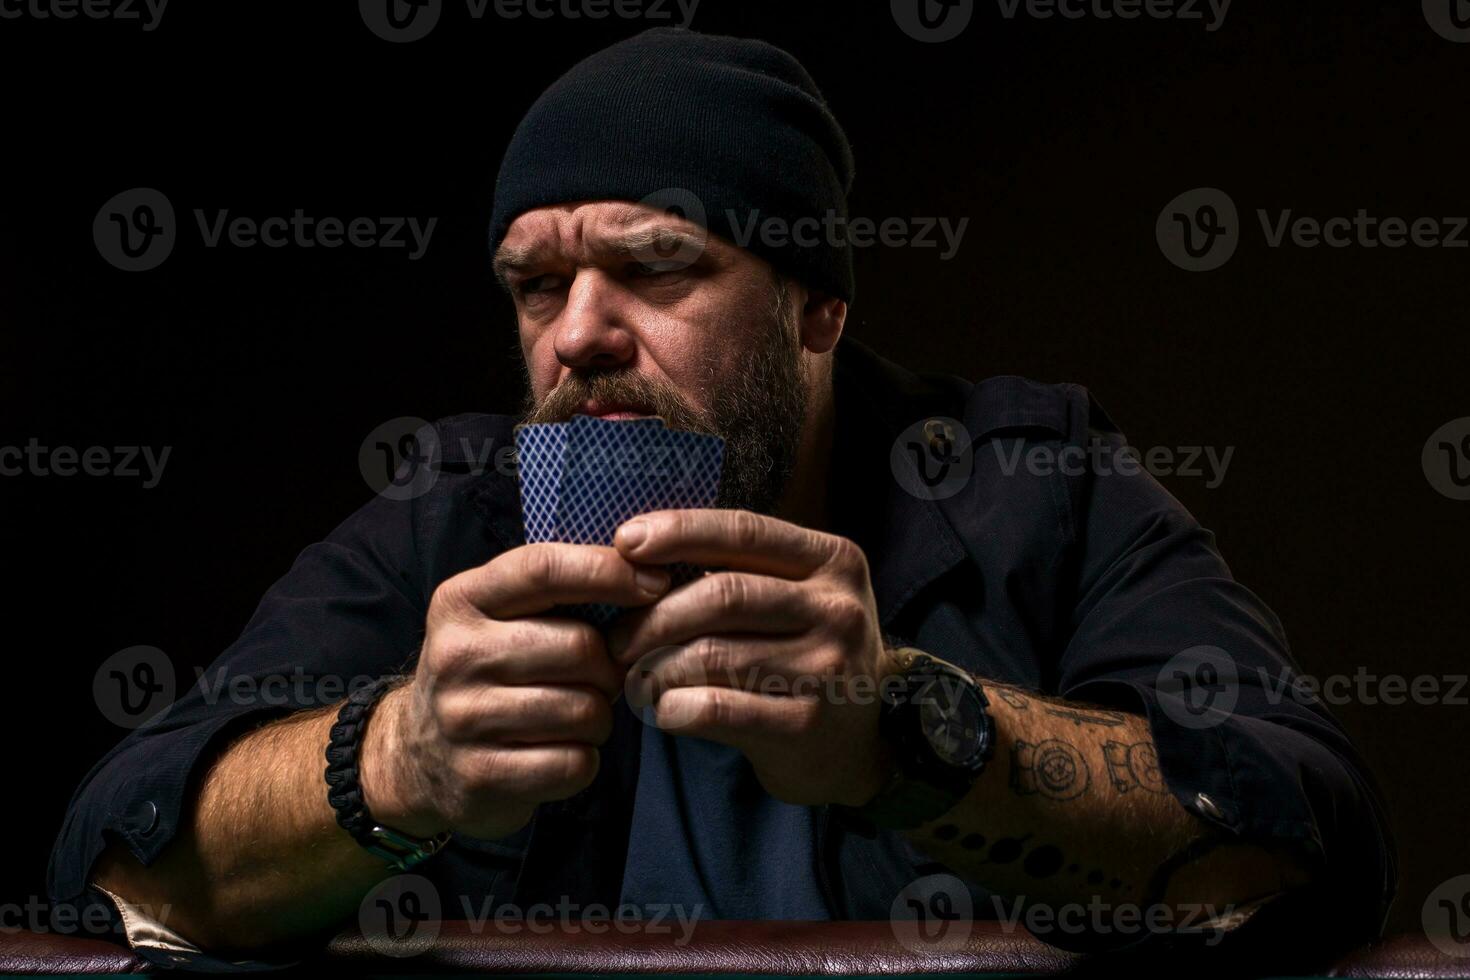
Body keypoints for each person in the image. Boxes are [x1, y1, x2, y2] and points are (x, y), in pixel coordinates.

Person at [50, 26, 1395, 971]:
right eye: (536, 284)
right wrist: (393, 763)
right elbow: (119, 858)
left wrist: (908, 738)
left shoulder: (1028, 483)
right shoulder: (456, 506)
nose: (576, 333)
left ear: (816, 306)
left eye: (656, 266)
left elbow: (1300, 841)